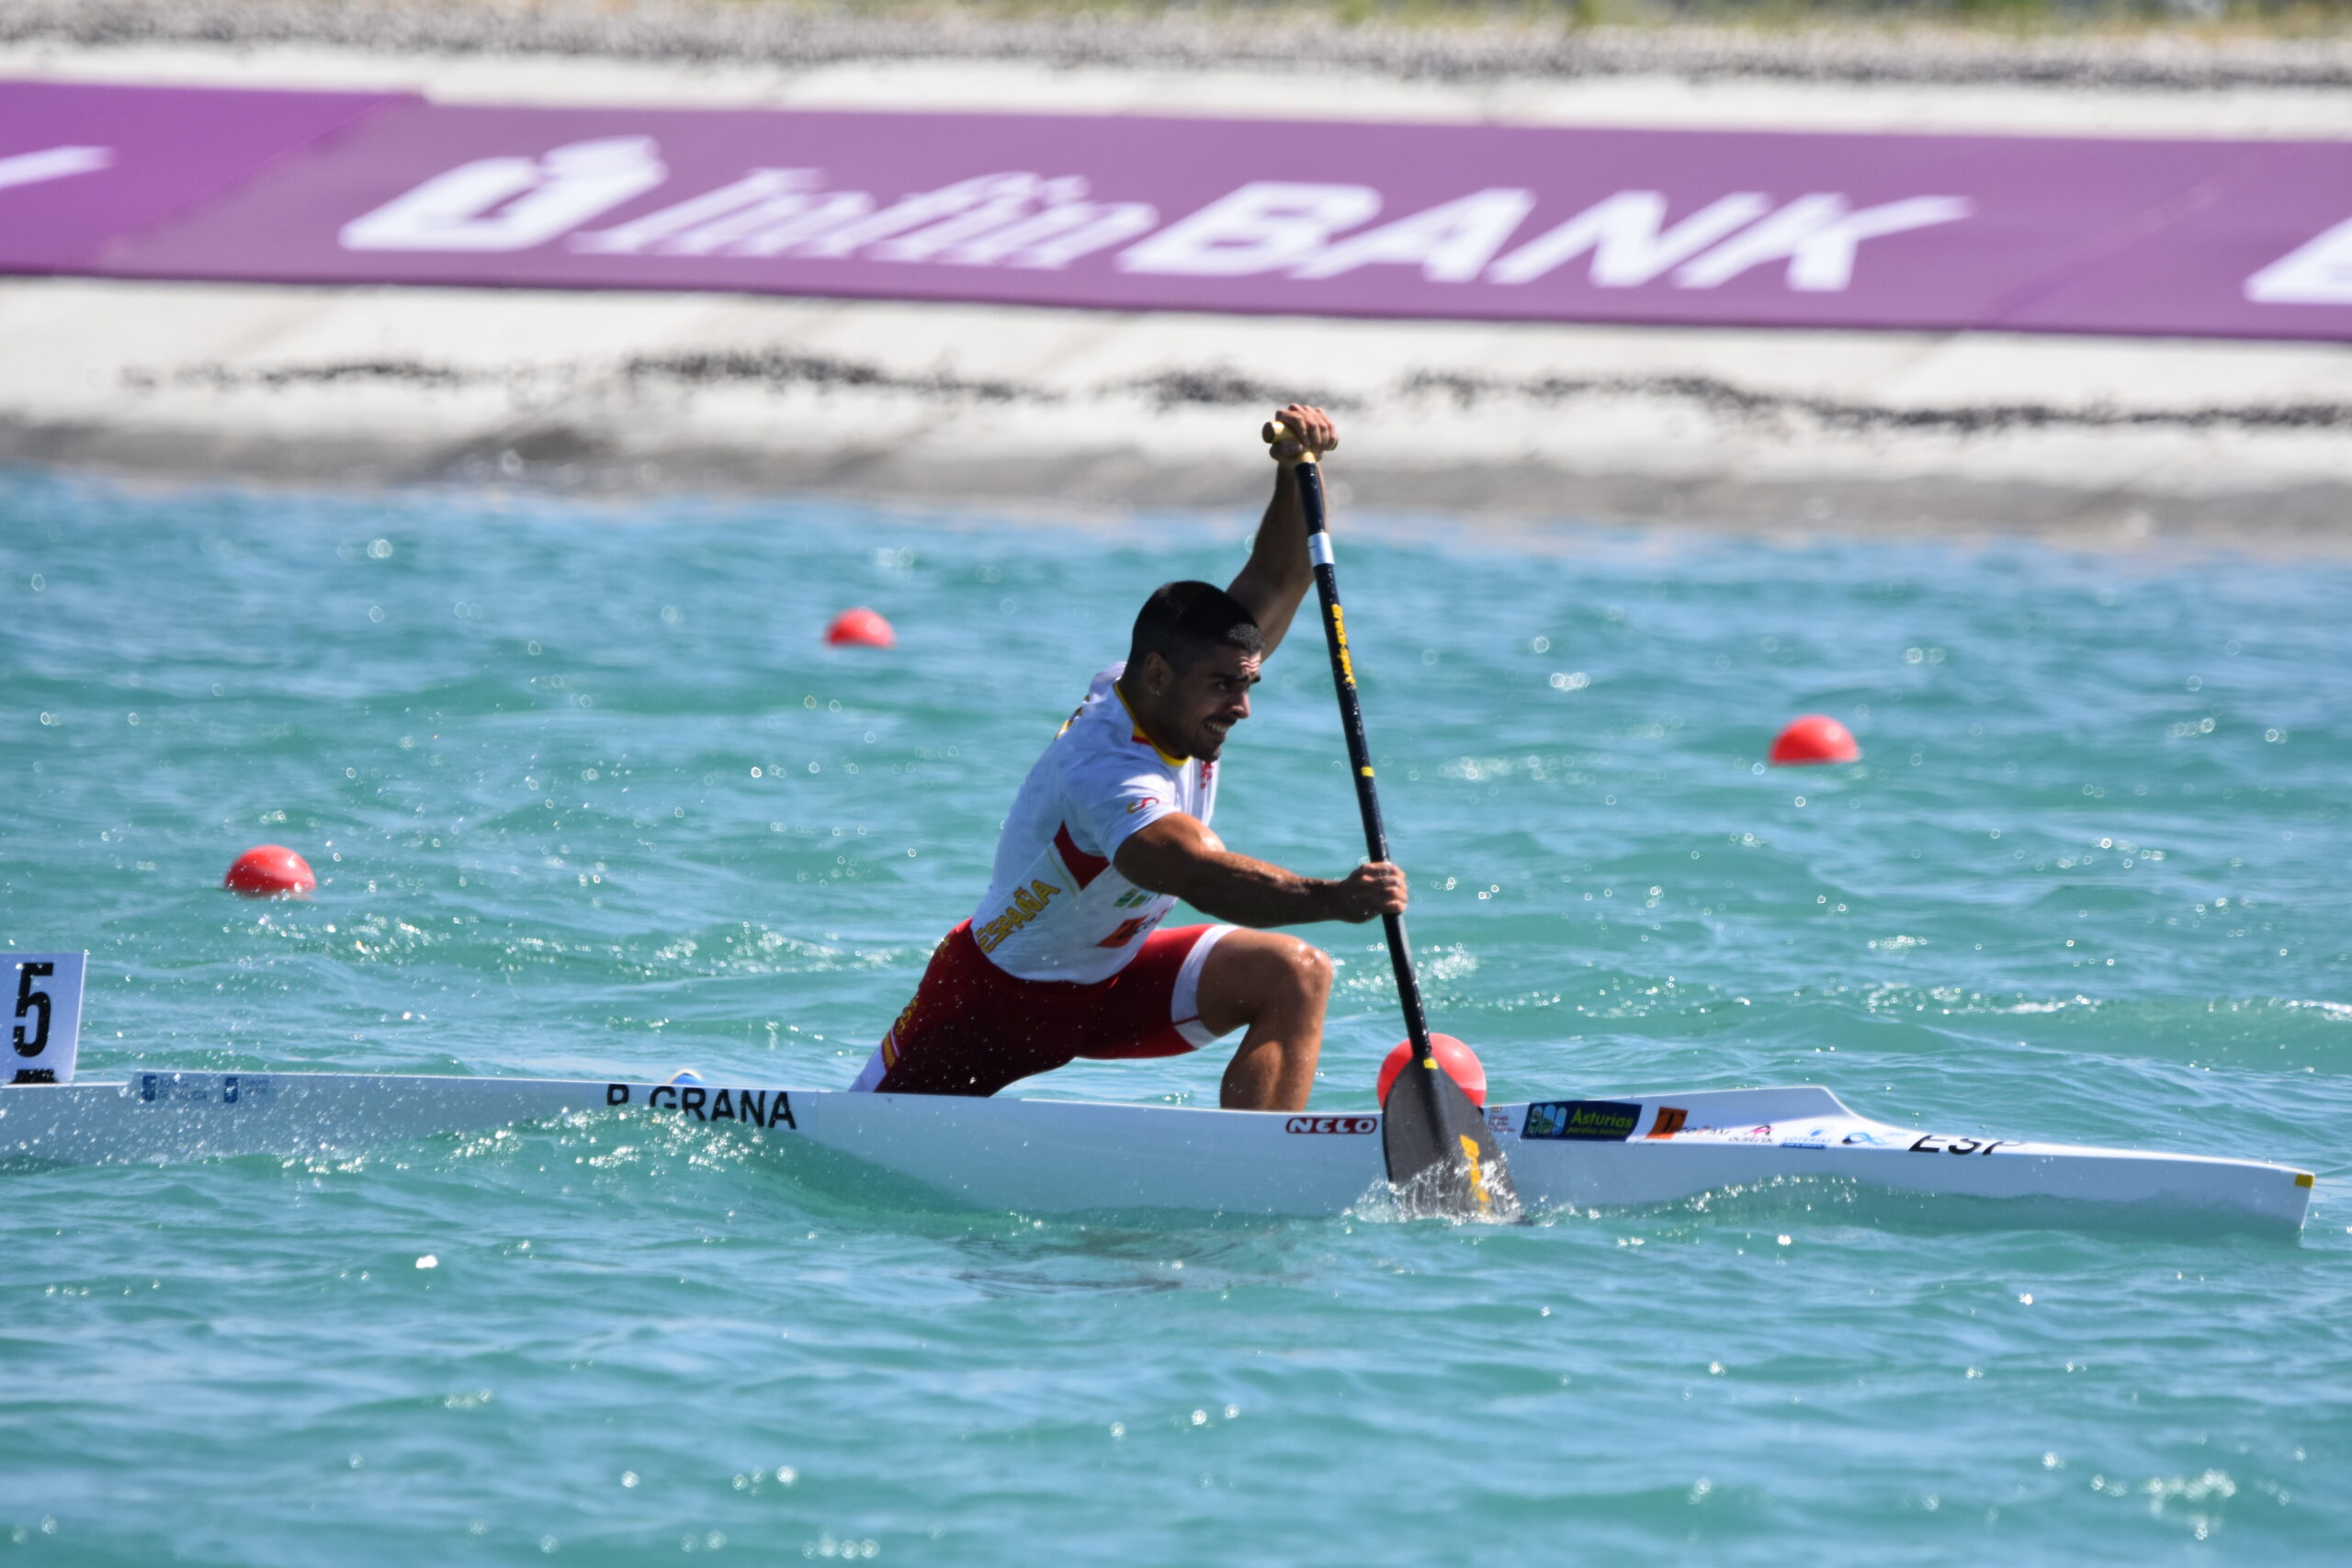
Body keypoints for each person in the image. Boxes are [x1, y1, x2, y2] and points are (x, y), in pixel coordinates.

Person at [849, 406, 1406, 1111]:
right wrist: (1335, 898)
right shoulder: (1106, 772)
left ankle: (1255, 1174)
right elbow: (1196, 870)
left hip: (1113, 985)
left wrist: (1296, 471)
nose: (1241, 707)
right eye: (1224, 688)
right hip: (990, 1004)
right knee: (848, 1138)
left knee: (1296, 973)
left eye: (1247, 683)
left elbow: (1275, 575)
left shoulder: (1176, 680)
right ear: (1155, 676)